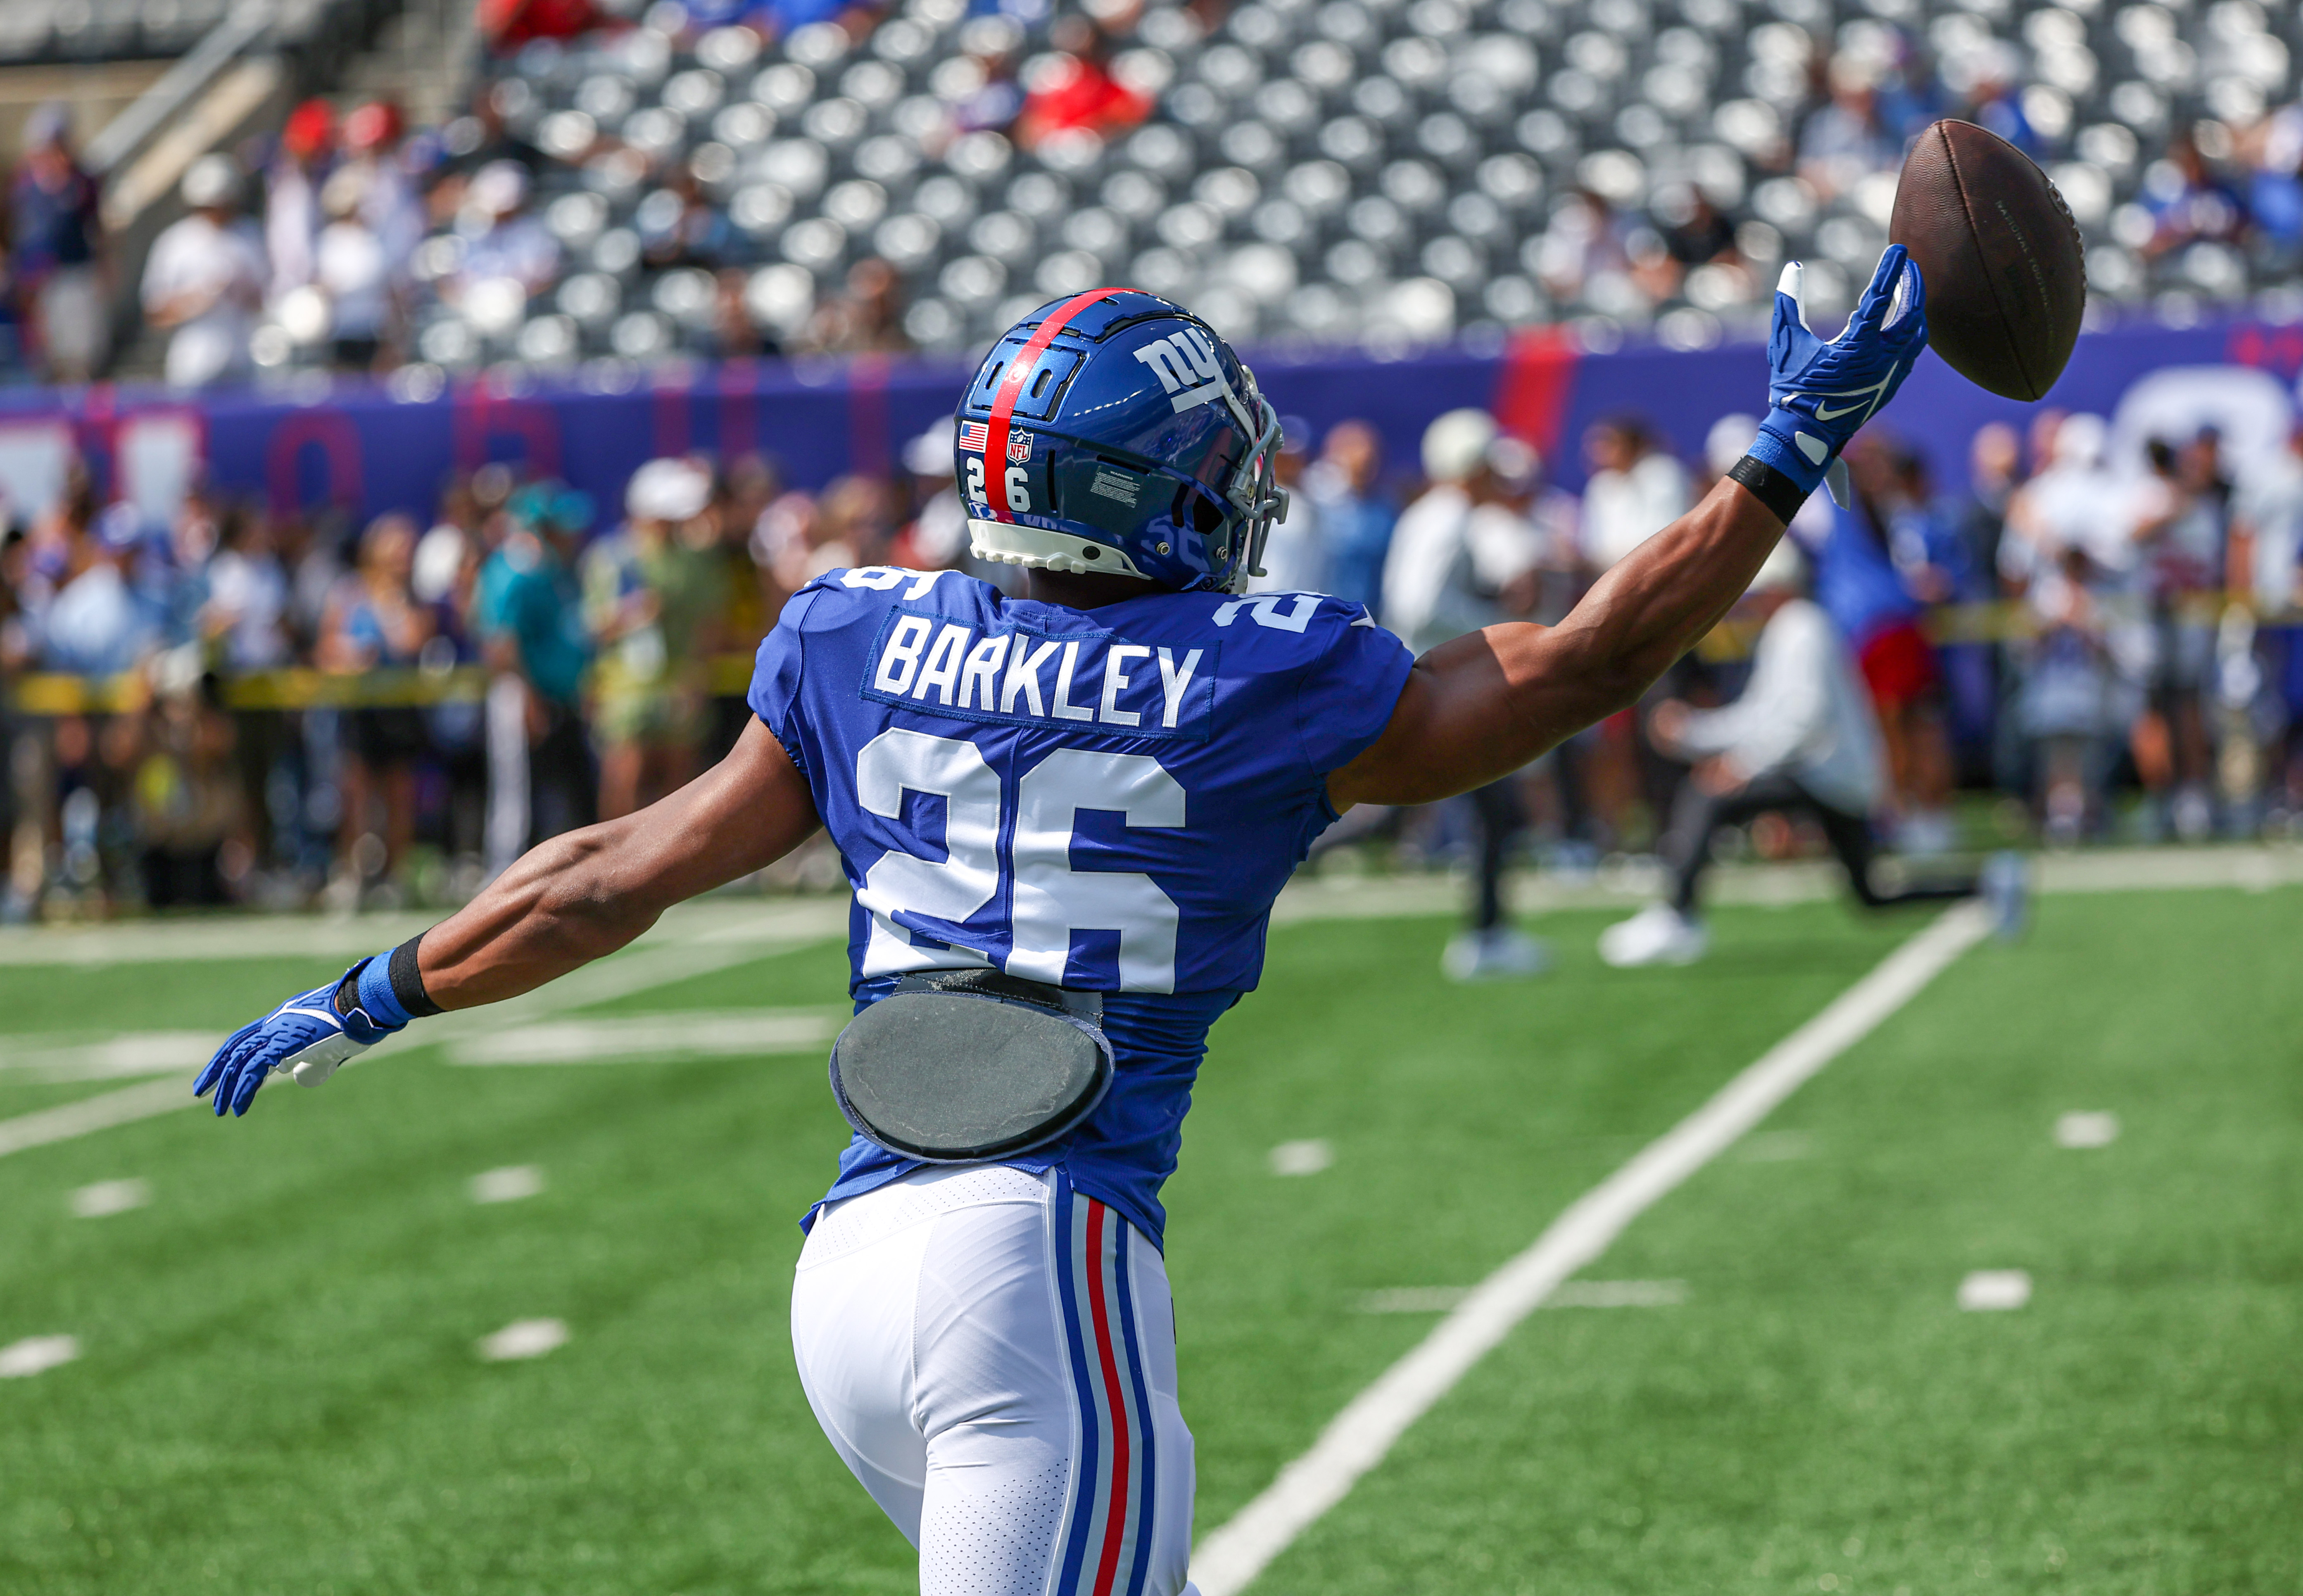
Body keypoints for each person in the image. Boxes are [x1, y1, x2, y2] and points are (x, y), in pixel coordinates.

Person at [196, 258, 1932, 1596]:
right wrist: (1780, 453)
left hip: (850, 1266)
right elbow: (1587, 662)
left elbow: (604, 875)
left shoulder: (849, 633)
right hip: (1035, 1262)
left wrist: (372, 992)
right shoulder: (1251, 678)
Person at [1599, 536, 2016, 968]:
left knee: (1707, 797)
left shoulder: (1802, 628)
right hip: (1834, 777)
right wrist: (1693, 733)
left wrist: (1737, 765)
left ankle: (1678, 916)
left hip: (1828, 776)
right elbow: (1762, 717)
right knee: (1871, 895)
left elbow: (1800, 721)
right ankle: (1986, 885)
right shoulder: (1791, 630)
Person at [1383, 408, 1547, 978]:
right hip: (1430, 687)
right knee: (1487, 811)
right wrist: (1494, 624)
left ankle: (1489, 932)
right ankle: (1486, 936)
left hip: (1428, 683)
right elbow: (1420, 606)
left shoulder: (1442, 515)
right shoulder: (1446, 517)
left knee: (1490, 810)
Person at [583, 458, 729, 819]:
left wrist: (697, 678)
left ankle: (671, 871)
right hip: (625, 689)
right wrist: (631, 614)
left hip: (678, 683)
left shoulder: (696, 561)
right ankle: (614, 869)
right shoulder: (610, 558)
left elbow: (709, 626)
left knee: (679, 782)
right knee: (626, 777)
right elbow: (594, 627)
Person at [141, 155, 268, 390]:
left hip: (242, 354)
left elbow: (264, 301)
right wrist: (199, 299)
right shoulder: (175, 242)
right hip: (194, 358)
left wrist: (238, 290)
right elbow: (155, 313)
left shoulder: (249, 235)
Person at [9, 103, 108, 383]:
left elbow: (96, 228)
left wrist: (105, 268)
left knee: (79, 354)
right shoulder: (24, 184)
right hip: (36, 281)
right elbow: (16, 231)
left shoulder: (83, 181)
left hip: (74, 273)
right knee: (42, 356)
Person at [1302, 419, 1393, 615]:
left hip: (1367, 618)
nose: (1365, 469)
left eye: (1370, 463)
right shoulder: (1311, 504)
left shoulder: (1383, 510)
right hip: (1320, 616)